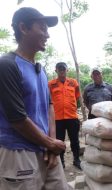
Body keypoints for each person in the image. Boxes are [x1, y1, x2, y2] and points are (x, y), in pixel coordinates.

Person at [0, 7, 69, 189]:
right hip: (19, 152)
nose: (47, 35)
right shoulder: (7, 65)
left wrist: (52, 143)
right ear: (23, 28)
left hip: (46, 150)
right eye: (43, 28)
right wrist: (50, 143)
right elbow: (17, 119)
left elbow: (49, 106)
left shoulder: (40, 69)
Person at [49, 62, 82, 170]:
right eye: (59, 69)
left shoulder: (73, 83)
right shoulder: (51, 84)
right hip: (57, 119)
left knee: (75, 140)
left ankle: (76, 160)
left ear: (67, 70)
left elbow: (77, 97)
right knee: (59, 141)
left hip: (72, 117)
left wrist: (71, 107)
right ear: (56, 71)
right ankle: (61, 162)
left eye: (63, 69)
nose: (62, 71)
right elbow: (48, 100)